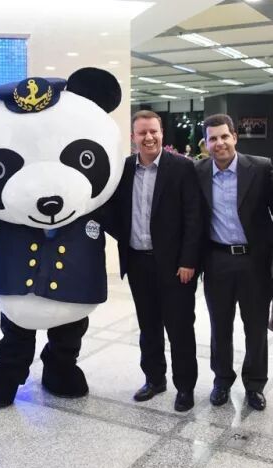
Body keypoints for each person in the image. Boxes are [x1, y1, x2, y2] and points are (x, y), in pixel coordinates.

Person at [111, 110, 202, 411]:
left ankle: (185, 387)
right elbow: (114, 211)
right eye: (142, 133)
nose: (149, 137)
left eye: (153, 131)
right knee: (148, 327)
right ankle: (154, 379)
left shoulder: (182, 167)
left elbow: (194, 217)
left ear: (162, 133)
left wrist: (189, 260)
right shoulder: (124, 169)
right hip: (138, 262)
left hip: (176, 267)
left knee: (180, 328)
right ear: (133, 137)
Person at [195, 114, 273, 411]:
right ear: (205, 144)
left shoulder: (260, 168)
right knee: (220, 326)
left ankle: (254, 385)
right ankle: (222, 380)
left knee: (255, 327)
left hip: (254, 262)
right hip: (217, 260)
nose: (219, 143)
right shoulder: (197, 172)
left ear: (235, 137)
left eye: (224, 136)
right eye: (213, 138)